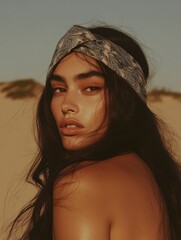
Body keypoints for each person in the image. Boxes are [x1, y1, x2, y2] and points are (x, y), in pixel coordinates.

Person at [7, 24, 181, 240]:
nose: (66, 105)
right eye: (59, 89)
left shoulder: (82, 183)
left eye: (90, 88)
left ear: (125, 97)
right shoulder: (150, 175)